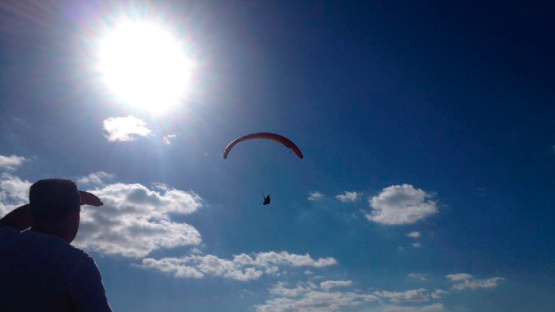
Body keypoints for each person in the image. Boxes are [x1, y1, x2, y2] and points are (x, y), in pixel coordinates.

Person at [0, 179, 112, 312]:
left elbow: (10, 221)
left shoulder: (5, 240)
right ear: (75, 216)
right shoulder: (76, 264)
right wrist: (72, 200)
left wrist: (52, 202)